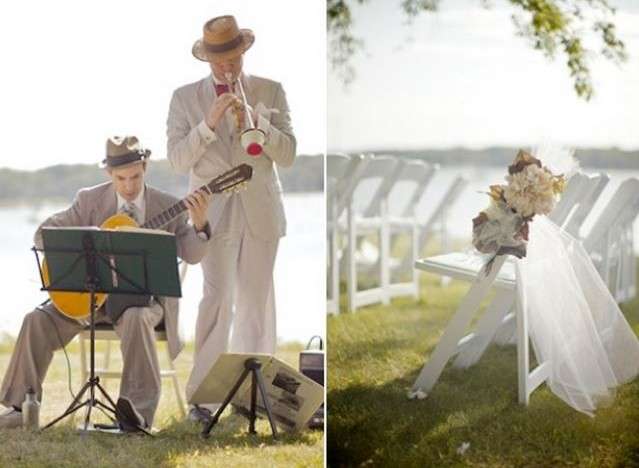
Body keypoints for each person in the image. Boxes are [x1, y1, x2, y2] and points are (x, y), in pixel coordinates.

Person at [0, 136, 212, 432]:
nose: (129, 186)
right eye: (121, 178)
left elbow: (192, 254)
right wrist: (94, 238)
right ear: (108, 174)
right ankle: (17, 408)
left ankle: (136, 416)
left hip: (142, 303)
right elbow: (42, 235)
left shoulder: (168, 205)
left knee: (137, 317)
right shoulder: (89, 199)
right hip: (92, 299)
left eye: (136, 176)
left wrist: (200, 224)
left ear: (145, 167)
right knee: (37, 319)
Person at [166, 15, 296, 422]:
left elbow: (289, 155)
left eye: (233, 58)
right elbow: (176, 160)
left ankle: (252, 398)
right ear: (206, 60)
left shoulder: (270, 90)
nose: (228, 68)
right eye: (219, 61)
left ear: (243, 52)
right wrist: (208, 124)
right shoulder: (184, 98)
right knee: (217, 299)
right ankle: (202, 400)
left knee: (257, 303)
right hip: (212, 214)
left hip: (260, 210)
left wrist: (259, 125)